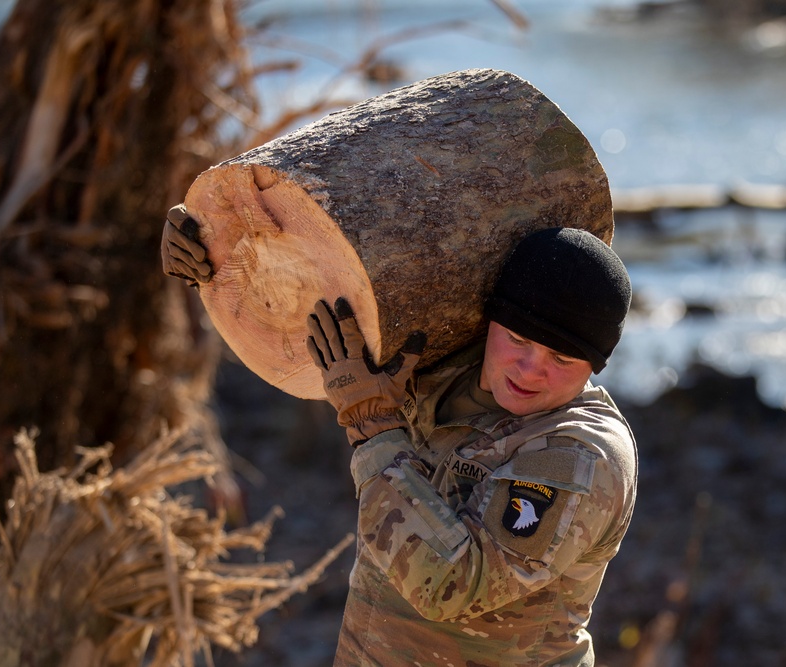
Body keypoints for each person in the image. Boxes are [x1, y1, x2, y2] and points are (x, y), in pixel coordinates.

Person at [162, 206, 637, 666]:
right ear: (492, 319)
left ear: (595, 366)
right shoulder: (439, 367)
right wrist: (213, 254)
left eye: (562, 359)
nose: (531, 370)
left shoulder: (580, 454)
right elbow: (308, 297)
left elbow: (451, 585)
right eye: (520, 339)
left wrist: (372, 424)